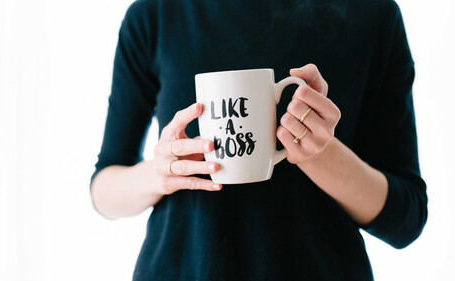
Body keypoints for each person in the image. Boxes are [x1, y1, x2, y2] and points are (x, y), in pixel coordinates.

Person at [90, 0, 428, 280]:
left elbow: (406, 219)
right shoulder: (155, 14)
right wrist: (160, 174)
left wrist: (318, 154)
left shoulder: (371, 13)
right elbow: (103, 190)